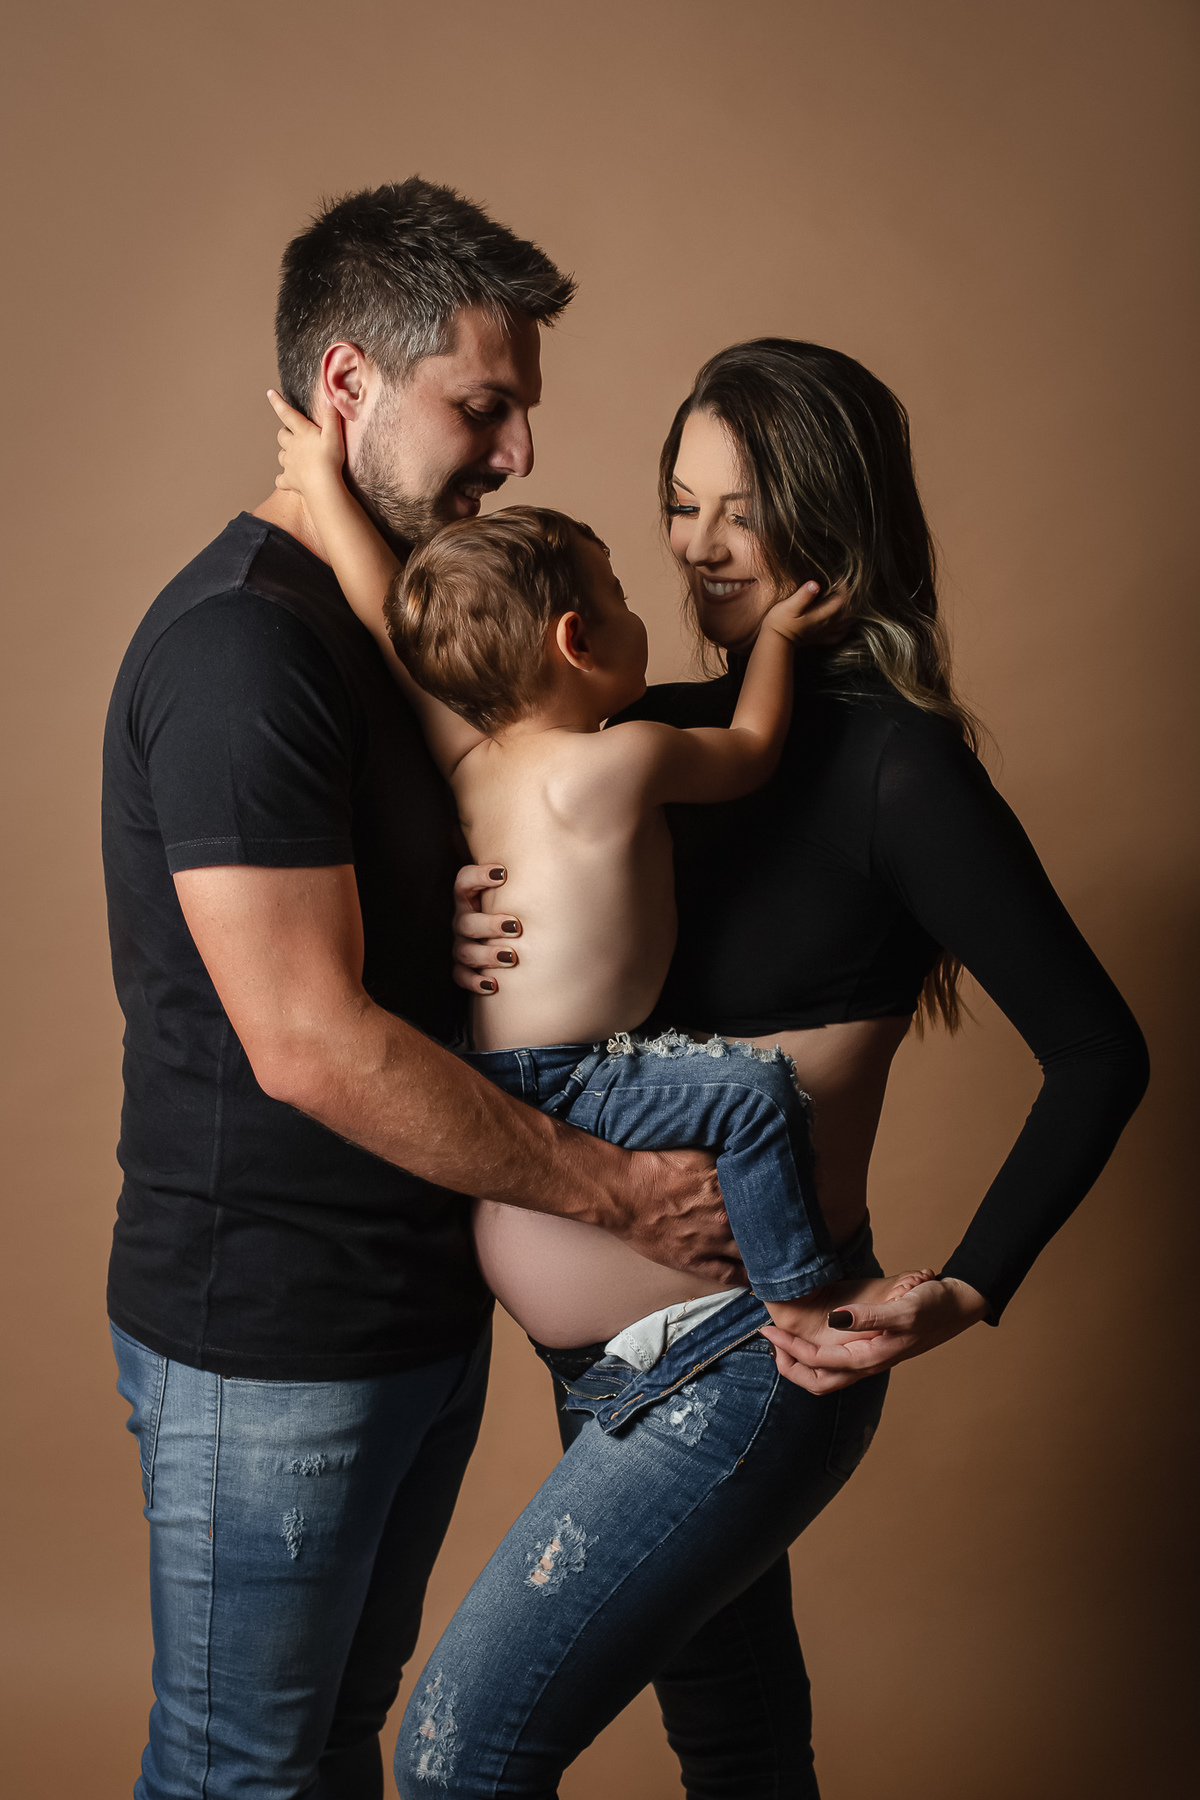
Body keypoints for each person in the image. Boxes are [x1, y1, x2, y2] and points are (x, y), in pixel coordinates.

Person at [431, 339, 1151, 1798]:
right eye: (679, 505)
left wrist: (970, 1285)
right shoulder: (635, 737)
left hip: (739, 1366)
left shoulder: (899, 772)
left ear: (831, 519)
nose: (699, 547)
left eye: (741, 512)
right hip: (596, 1370)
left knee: (461, 1752)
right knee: (742, 1755)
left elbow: (1097, 1054)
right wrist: (464, 919)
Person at [101, 178, 738, 1800]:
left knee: (329, 1753)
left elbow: (440, 876)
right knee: (243, 1774)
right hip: (274, 1341)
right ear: (346, 385)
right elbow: (309, 1043)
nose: (518, 452)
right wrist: (615, 1191)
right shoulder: (243, 652)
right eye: (484, 405)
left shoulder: (404, 630)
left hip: (408, 1313)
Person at [264, 391, 936, 1346]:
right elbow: (752, 749)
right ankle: (798, 1302)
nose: (637, 611)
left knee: (743, 1095)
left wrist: (325, 492)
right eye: (618, 599)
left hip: (497, 1069)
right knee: (759, 1097)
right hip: (577, 1076)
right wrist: (780, 641)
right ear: (576, 641)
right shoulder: (623, 760)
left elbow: (390, 623)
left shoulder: (473, 760)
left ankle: (785, 1289)